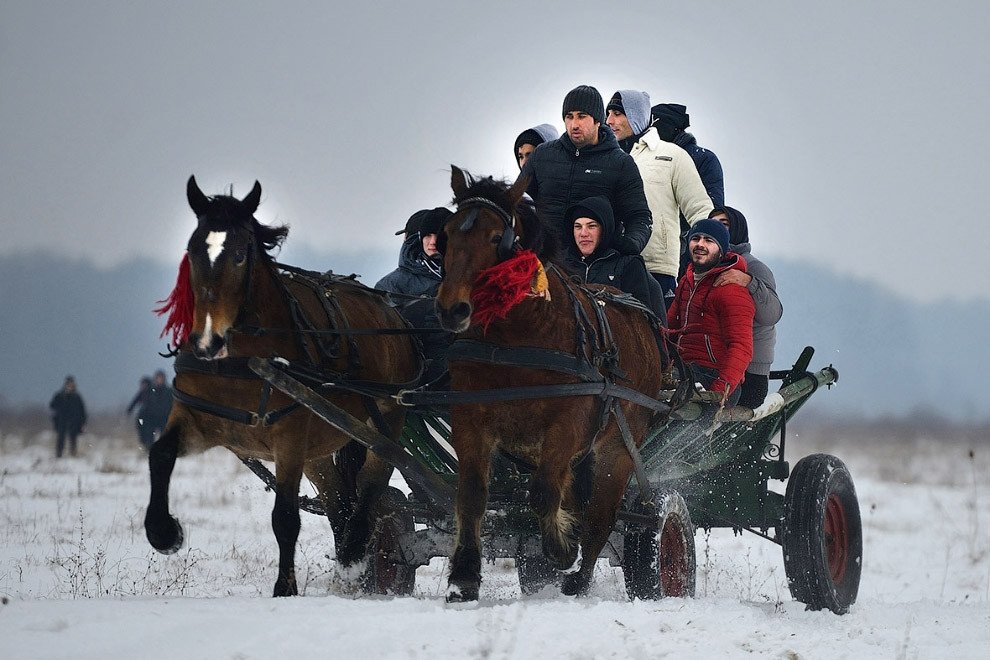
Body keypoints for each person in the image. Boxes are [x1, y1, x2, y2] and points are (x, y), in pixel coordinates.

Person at [517, 84, 652, 256]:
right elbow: (518, 203)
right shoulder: (542, 156)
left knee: (650, 285)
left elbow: (639, 217)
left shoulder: (621, 163)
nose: (574, 124)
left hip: (595, 267)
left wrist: (629, 246)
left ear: (597, 120)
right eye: (569, 117)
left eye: (582, 116)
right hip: (545, 261)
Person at [605, 90, 713, 305]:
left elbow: (700, 211)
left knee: (658, 336)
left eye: (618, 113)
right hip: (607, 265)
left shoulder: (672, 155)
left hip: (657, 268)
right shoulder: (602, 158)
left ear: (636, 116)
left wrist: (712, 260)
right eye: (608, 114)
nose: (609, 121)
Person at [667, 219, 755, 405]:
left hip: (714, 377)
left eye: (709, 240)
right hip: (684, 370)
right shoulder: (687, 281)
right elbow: (669, 329)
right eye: (696, 238)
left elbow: (741, 347)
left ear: (721, 250)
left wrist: (720, 390)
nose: (700, 244)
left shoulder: (730, 290)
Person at [710, 206, 782, 408]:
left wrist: (749, 281)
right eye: (713, 225)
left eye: (724, 224)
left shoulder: (754, 267)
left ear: (738, 229)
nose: (718, 230)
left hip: (751, 369)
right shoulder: (708, 265)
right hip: (721, 363)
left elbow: (772, 314)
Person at [376, 207, 453, 383]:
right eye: (427, 235)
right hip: (414, 378)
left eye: (438, 236)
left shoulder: (467, 279)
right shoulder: (391, 284)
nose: (432, 242)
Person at [651, 103, 725, 278]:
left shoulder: (702, 159)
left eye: (653, 126)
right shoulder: (705, 158)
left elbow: (711, 209)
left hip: (687, 251)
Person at [561, 196, 665, 320]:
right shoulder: (562, 263)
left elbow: (641, 320)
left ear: (604, 229)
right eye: (578, 227)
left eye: (591, 226)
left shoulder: (628, 264)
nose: (583, 233)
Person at [49, 375, 86, 457]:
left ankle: (73, 454)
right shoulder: (59, 395)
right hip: (61, 421)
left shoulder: (77, 397)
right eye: (69, 384)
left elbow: (82, 411)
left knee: (73, 439)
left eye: (72, 384)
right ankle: (59, 455)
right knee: (61, 439)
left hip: (74, 422)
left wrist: (83, 423)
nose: (70, 386)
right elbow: (52, 406)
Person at [141, 369, 173, 445]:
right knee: (148, 435)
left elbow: (172, 403)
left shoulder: (169, 391)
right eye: (158, 378)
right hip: (152, 418)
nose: (159, 380)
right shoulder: (150, 391)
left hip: (165, 417)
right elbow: (146, 403)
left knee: (165, 436)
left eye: (161, 378)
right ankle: (149, 448)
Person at [127, 375, 155, 448]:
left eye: (145, 384)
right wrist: (129, 410)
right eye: (142, 384)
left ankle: (149, 447)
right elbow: (134, 401)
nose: (143, 386)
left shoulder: (152, 393)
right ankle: (145, 445)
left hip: (151, 416)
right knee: (141, 430)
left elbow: (157, 404)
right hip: (142, 415)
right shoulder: (141, 393)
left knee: (149, 432)